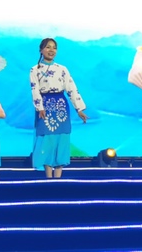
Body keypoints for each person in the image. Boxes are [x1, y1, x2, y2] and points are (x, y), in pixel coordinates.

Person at [30, 38, 89, 179]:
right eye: (48, 47)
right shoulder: (35, 70)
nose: (51, 50)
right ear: (41, 50)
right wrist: (40, 107)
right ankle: (48, 178)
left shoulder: (62, 69)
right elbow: (35, 90)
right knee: (47, 141)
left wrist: (79, 109)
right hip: (45, 107)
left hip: (61, 106)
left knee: (61, 139)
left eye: (54, 48)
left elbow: (71, 88)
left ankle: (58, 178)